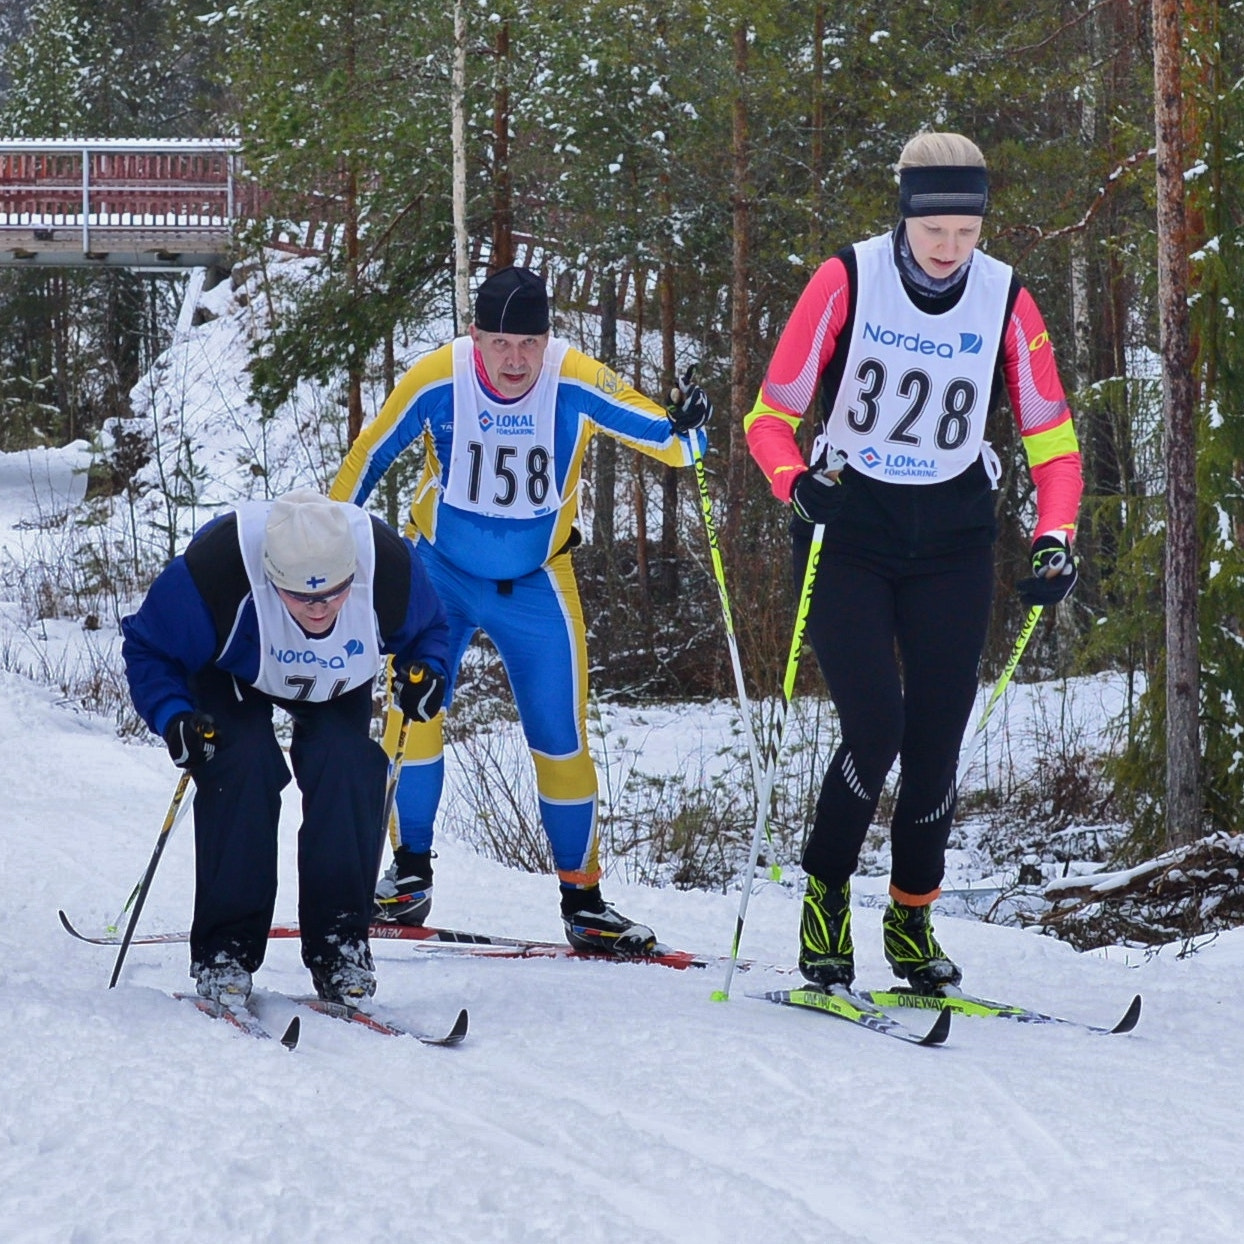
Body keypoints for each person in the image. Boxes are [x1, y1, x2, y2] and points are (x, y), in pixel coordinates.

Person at [745, 132, 1082, 993]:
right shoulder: (847, 279)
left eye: (966, 232)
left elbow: (1052, 436)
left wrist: (1057, 534)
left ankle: (912, 914)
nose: (949, 249)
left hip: (952, 537)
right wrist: (794, 484)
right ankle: (824, 898)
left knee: (935, 739)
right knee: (876, 726)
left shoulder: (1008, 297)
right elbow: (768, 415)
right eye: (934, 229)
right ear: (904, 214)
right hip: (847, 529)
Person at [330, 265, 711, 954]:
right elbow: (367, 457)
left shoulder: (574, 377)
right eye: (498, 343)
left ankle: (584, 902)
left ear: (548, 340)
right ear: (475, 335)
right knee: (414, 716)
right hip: (439, 578)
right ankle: (408, 876)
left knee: (560, 739)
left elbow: (677, 445)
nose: (513, 360)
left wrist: (688, 424)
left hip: (537, 583)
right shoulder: (438, 376)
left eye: (527, 344)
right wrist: (322, 543)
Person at [121, 489, 450, 1007]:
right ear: (271, 575)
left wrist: (429, 673)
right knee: (241, 766)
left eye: (334, 594)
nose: (318, 609)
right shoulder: (216, 572)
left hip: (336, 674)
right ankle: (225, 948)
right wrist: (174, 717)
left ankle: (340, 945)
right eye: (301, 597)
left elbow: (429, 630)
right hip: (235, 667)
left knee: (350, 767)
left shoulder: (385, 565)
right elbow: (147, 647)